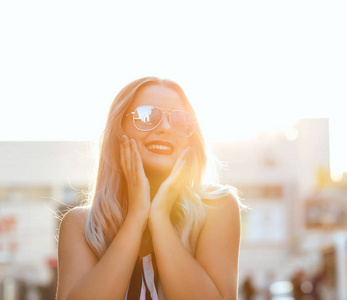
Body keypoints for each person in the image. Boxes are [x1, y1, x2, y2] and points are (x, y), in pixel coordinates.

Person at [56, 77, 242, 300]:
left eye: (181, 120)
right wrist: (136, 215)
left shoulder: (217, 207)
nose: (165, 128)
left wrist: (160, 217)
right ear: (118, 131)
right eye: (147, 116)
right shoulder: (82, 225)